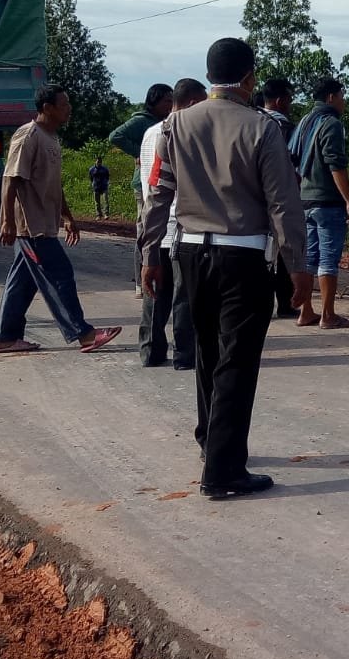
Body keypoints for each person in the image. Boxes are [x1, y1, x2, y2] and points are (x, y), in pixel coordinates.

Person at [141, 38, 312, 500]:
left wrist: (150, 254)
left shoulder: (174, 125)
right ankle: (223, 471)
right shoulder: (263, 128)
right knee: (237, 360)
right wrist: (298, 266)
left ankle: (210, 441)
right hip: (245, 257)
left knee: (208, 354)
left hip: (191, 253)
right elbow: (283, 203)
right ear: (250, 78)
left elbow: (158, 194)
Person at [0, 86, 122, 355]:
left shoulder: (50, 137)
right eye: (64, 104)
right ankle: (84, 334)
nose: (69, 108)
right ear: (47, 108)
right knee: (60, 274)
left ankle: (5, 337)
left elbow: (53, 184)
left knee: (22, 282)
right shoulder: (28, 135)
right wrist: (7, 221)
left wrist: (67, 217)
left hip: (45, 223)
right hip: (32, 226)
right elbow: (10, 180)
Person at [137, 79, 208, 369]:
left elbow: (149, 184)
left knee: (155, 293)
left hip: (154, 225)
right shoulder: (186, 133)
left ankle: (150, 352)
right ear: (192, 103)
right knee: (183, 295)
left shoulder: (150, 133)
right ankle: (184, 355)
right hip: (180, 226)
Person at [291, 77, 349, 329]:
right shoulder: (331, 124)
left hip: (305, 199)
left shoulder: (305, 121)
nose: (343, 101)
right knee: (328, 259)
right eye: (342, 95)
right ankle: (328, 315)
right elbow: (336, 165)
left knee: (310, 257)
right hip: (327, 201)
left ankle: (306, 312)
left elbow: (292, 159)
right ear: (331, 97)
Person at [109, 83, 174, 295]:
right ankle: (140, 282)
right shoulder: (141, 122)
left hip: (160, 183)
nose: (170, 105)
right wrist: (139, 152)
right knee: (144, 232)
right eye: (166, 101)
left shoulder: (164, 122)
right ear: (154, 101)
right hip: (145, 184)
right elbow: (115, 136)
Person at [260, 77, 300, 318]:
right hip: (281, 199)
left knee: (261, 255)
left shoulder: (250, 121)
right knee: (284, 249)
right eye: (289, 99)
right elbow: (296, 167)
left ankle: (262, 303)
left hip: (251, 202)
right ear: (280, 100)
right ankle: (286, 302)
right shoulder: (286, 129)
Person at [88, 155, 112, 219]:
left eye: (100, 162)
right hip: (96, 187)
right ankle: (98, 215)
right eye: (98, 161)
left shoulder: (105, 169)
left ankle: (106, 214)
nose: (99, 163)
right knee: (97, 202)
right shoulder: (91, 169)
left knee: (106, 201)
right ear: (95, 161)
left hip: (104, 186)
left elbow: (107, 177)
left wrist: (106, 183)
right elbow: (91, 178)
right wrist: (93, 184)